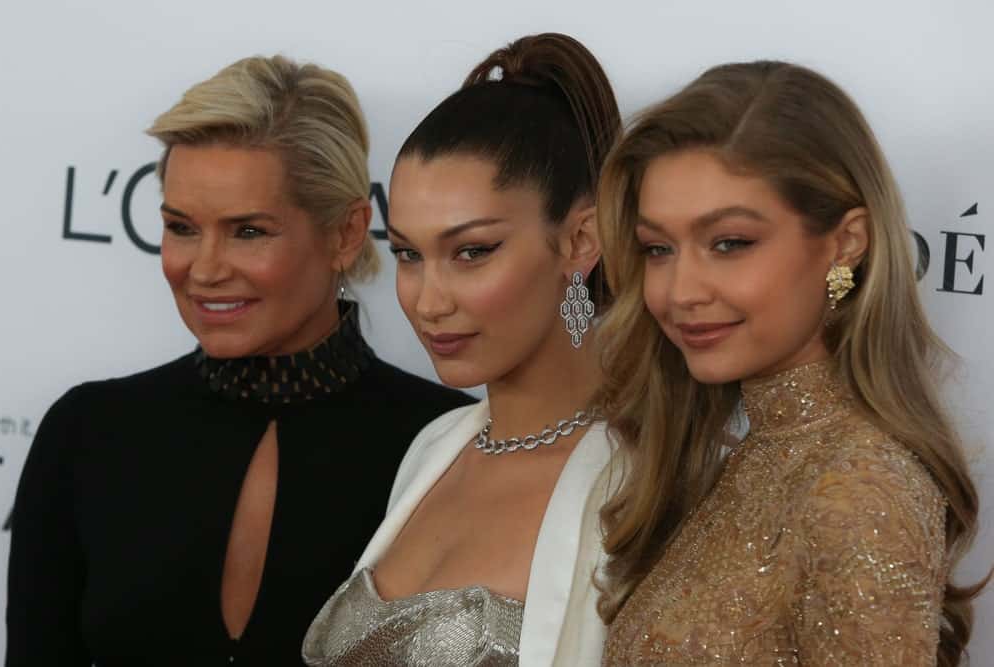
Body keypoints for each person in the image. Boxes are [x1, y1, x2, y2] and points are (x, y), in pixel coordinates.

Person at [6, 55, 472, 667]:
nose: (203, 269)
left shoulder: (450, 448)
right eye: (181, 227)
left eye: (248, 231)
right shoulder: (88, 432)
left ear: (346, 233)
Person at [594, 60, 987, 665]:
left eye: (729, 243)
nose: (680, 292)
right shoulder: (760, 451)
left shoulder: (857, 492)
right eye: (659, 249)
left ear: (845, 242)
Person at [302, 33, 622, 666]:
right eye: (408, 255)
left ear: (582, 240)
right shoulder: (433, 449)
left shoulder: (647, 480)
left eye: (472, 251)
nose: (428, 300)